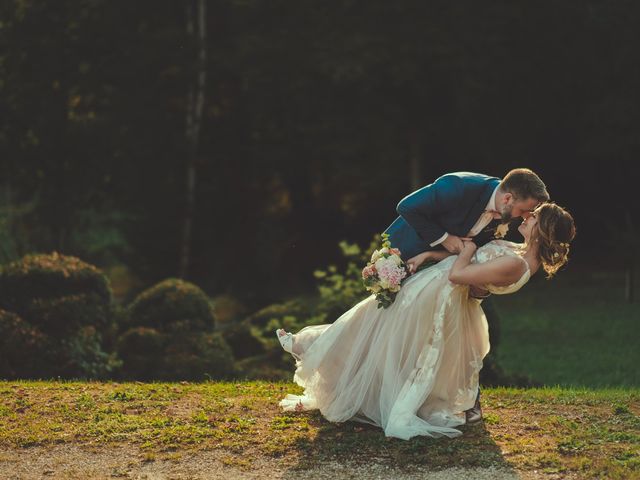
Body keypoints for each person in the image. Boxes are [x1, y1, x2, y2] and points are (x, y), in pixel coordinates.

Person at [276, 202, 575, 440]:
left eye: (534, 216)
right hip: (438, 290)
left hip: (438, 297)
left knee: (380, 331)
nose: (527, 217)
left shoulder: (516, 263)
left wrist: (469, 249)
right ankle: (316, 350)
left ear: (542, 230)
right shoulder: (519, 253)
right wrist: (429, 255)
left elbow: (459, 274)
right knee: (376, 326)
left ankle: (312, 348)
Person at [386, 168, 550, 422]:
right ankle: (387, 392)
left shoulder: (509, 219)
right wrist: (445, 239)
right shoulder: (459, 187)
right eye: (522, 211)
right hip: (409, 254)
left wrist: (480, 287)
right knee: (396, 329)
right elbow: (406, 207)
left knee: (456, 336)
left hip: (451, 277)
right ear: (507, 199)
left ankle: (448, 398)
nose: (524, 217)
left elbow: (481, 258)